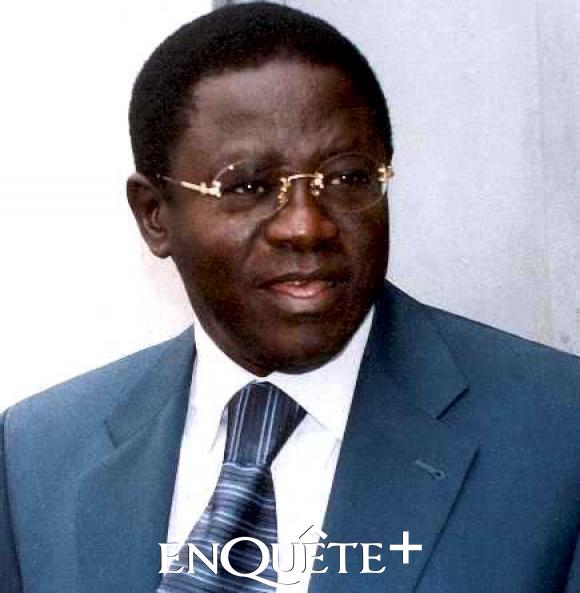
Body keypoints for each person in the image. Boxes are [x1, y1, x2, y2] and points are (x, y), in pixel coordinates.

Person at [1, 3, 578, 592]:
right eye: (249, 185)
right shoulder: (38, 454)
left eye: (348, 178)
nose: (306, 226)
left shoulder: (559, 433)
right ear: (154, 215)